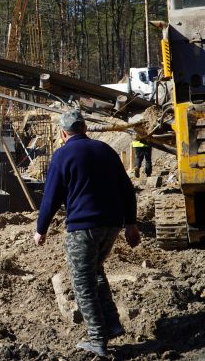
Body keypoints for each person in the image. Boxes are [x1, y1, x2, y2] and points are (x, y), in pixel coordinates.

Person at [34, 109, 141, 357]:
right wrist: (131, 224)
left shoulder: (62, 155)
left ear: (63, 133)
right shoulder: (106, 151)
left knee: (82, 282)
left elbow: (51, 197)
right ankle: (112, 323)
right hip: (112, 225)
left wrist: (41, 229)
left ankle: (97, 339)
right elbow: (126, 189)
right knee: (95, 271)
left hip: (83, 228)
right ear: (84, 129)